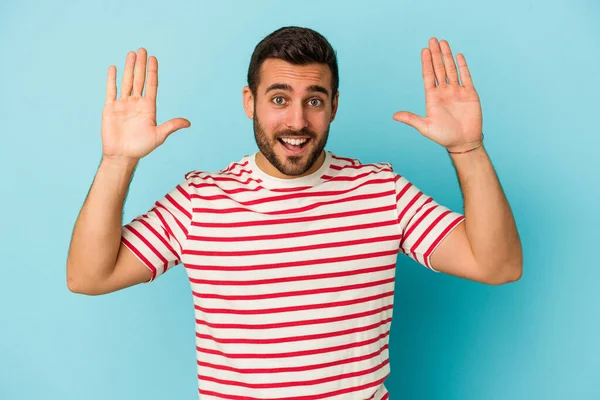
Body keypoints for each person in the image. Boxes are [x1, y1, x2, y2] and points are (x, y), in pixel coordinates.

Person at [67, 26, 522, 400]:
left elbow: (496, 264)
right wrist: (118, 161)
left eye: (315, 100)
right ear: (251, 102)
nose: (298, 121)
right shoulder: (198, 202)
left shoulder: (382, 192)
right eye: (279, 98)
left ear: (334, 106)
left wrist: (468, 148)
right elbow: (88, 276)